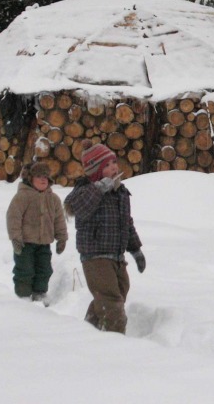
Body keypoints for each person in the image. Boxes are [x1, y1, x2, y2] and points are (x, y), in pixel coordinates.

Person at [64, 140, 146, 333]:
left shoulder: (120, 192)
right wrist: (100, 188)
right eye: (106, 165)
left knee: (118, 294)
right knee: (112, 304)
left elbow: (127, 223)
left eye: (113, 162)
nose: (113, 167)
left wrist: (135, 249)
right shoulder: (85, 190)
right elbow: (77, 206)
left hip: (117, 257)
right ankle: (113, 345)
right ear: (95, 172)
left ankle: (88, 331)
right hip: (95, 257)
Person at [6, 162, 68, 302]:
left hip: (44, 243)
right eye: (39, 176)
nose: (43, 179)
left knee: (44, 270)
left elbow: (59, 220)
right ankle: (23, 296)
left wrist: (62, 238)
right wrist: (15, 238)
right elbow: (13, 217)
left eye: (45, 176)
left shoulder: (53, 199)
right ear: (29, 178)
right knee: (24, 270)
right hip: (25, 244)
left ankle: (40, 294)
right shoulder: (22, 197)